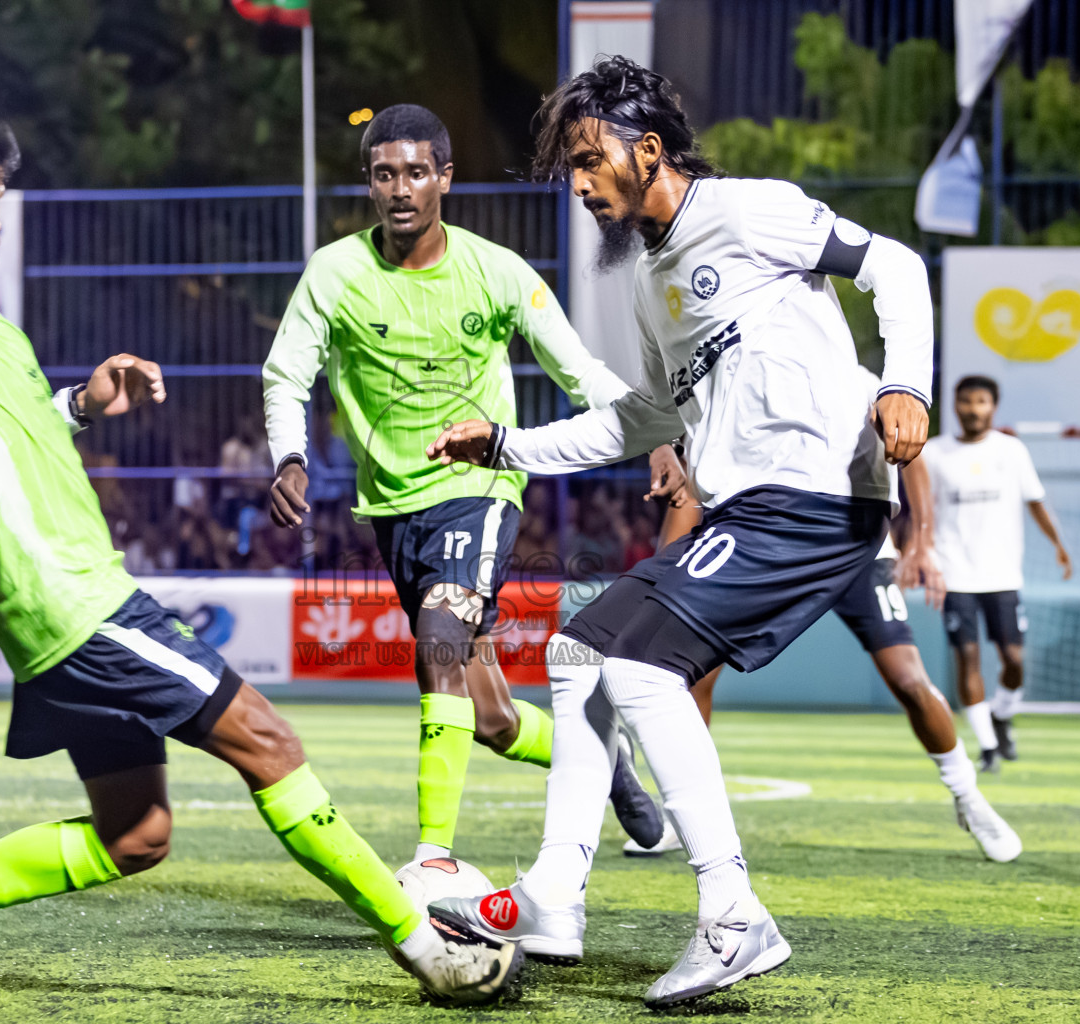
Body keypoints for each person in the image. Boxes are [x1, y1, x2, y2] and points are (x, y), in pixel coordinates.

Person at [0, 106, 519, 1007]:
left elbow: (3, 425)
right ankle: (431, 950)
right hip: (73, 601)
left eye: (0, 200)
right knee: (267, 742)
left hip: (60, 600)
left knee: (137, 834)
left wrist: (82, 402)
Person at [423, 56, 934, 1008]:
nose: (577, 183)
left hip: (817, 498)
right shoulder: (646, 280)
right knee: (580, 650)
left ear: (646, 150)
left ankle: (733, 916)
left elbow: (894, 267)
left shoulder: (746, 212)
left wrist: (905, 382)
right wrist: (507, 443)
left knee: (643, 667)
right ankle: (554, 897)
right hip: (754, 509)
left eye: (587, 159)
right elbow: (645, 421)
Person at [261, 103, 660, 867]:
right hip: (392, 507)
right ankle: (607, 763)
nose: (401, 188)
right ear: (369, 184)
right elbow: (287, 375)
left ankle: (433, 859)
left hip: (480, 490)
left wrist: (656, 437)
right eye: (385, 174)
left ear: (445, 176)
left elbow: (581, 373)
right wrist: (291, 456)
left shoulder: (499, 272)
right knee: (493, 722)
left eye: (416, 171)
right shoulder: (335, 272)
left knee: (438, 639)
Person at [626, 432, 1021, 863]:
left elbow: (913, 457)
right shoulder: (727, 392)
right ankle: (684, 817)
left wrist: (922, 540)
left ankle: (969, 797)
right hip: (767, 548)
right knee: (691, 674)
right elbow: (690, 486)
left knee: (908, 679)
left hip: (857, 545)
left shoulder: (857, 384)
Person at [928, 376, 1072, 772]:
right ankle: (988, 746)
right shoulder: (934, 453)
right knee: (967, 657)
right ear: (955, 406)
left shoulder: (1011, 451)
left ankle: (1002, 715)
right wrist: (915, 552)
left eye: (981, 401)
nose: (973, 409)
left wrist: (1058, 543)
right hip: (954, 573)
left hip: (1003, 575)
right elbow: (919, 512)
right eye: (966, 401)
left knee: (1012, 658)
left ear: (993, 406)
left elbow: (1035, 501)